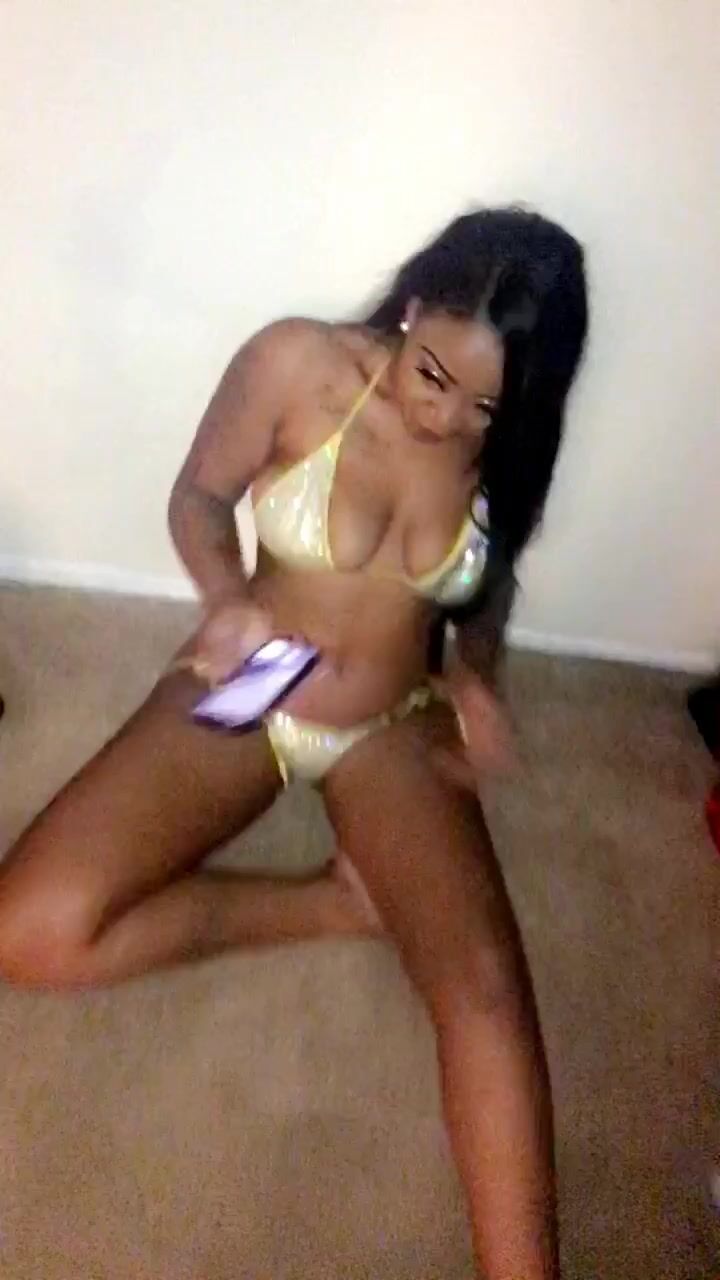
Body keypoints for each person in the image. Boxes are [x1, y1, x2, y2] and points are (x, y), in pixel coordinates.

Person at [0, 208, 587, 1279]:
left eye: (484, 406)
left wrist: (476, 672)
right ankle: (335, 903)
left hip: (392, 720)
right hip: (263, 677)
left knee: (488, 995)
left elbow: (488, 588)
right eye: (432, 376)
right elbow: (198, 496)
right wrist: (227, 598)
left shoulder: (506, 447)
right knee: (29, 932)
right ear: (414, 307)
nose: (445, 419)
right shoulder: (300, 364)